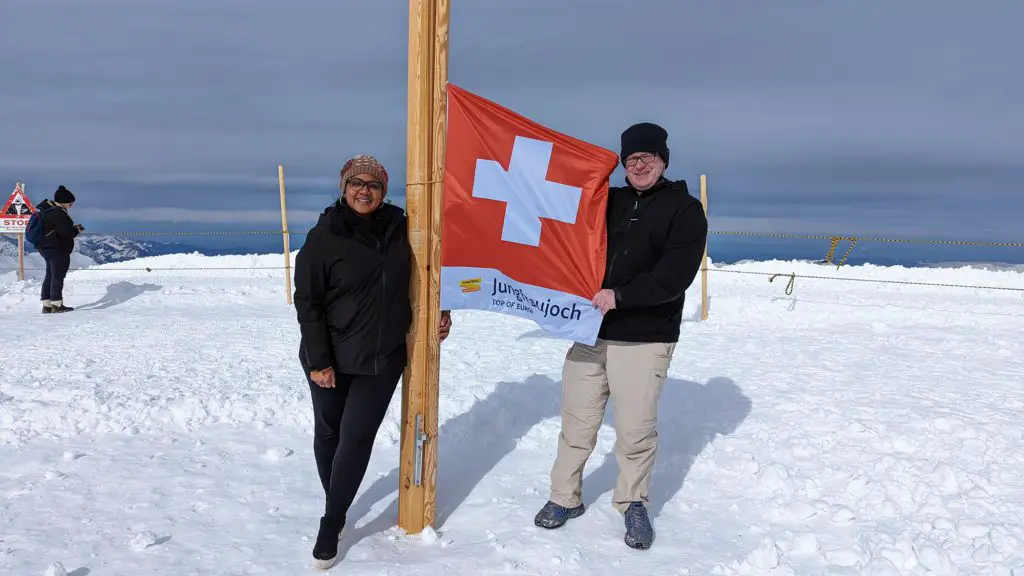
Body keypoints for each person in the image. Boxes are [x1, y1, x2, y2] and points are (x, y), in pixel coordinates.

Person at [533, 123, 708, 550]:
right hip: (590, 331)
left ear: (663, 160)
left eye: (648, 157)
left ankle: (632, 502)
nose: (640, 164)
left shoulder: (684, 210)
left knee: (635, 429)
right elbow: (566, 235)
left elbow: (674, 276)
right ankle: (564, 497)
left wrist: (621, 295)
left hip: (645, 338)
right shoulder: (607, 202)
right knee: (577, 421)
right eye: (631, 158)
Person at [293, 154, 453, 570]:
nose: (364, 190)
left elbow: (432, 270)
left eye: (374, 184)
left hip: (381, 358)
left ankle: (332, 521)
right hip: (328, 356)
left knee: (356, 437)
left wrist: (441, 308)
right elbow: (307, 303)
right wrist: (320, 361)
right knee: (329, 433)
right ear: (344, 187)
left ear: (384, 192)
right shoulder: (324, 236)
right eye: (356, 182)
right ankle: (339, 503)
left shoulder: (401, 229)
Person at [35, 185, 84, 313]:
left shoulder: (48, 211)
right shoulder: (59, 213)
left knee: (50, 275)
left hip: (45, 247)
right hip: (57, 248)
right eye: (70, 202)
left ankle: (47, 304)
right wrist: (76, 229)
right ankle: (57, 304)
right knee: (58, 275)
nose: (71, 205)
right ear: (65, 201)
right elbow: (66, 233)